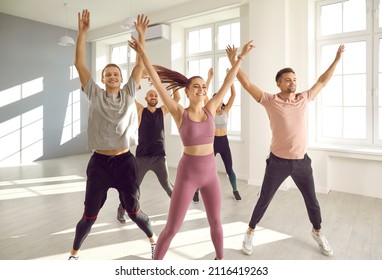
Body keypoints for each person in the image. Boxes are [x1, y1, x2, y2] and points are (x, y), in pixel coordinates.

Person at [128, 35, 254, 260]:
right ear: (187, 91)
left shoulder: (211, 108)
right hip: (188, 174)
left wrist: (241, 57)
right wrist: (142, 53)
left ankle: (220, 260)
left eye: (204, 86)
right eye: (196, 86)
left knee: (216, 222)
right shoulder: (179, 112)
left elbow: (228, 82)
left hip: (210, 174)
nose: (202, 89)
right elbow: (157, 81)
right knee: (172, 227)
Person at [226, 43, 345, 257]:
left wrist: (336, 60)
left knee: (312, 201)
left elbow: (322, 81)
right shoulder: (270, 100)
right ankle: (250, 232)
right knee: (264, 199)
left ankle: (317, 232)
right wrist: (235, 60)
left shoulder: (304, 98)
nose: (293, 82)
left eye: (295, 79)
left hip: (302, 162)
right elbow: (247, 83)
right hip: (278, 162)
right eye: (288, 79)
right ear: (279, 83)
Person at [68, 10, 156, 260]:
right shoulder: (94, 93)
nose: (113, 77)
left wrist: (142, 36)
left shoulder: (129, 92)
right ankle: (73, 255)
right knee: (89, 216)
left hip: (125, 162)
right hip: (99, 164)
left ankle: (152, 240)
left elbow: (140, 65)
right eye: (109, 75)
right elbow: (79, 64)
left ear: (121, 77)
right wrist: (83, 32)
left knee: (134, 212)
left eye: (116, 73)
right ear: (103, 79)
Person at [116, 87, 180, 223]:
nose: (153, 97)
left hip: (159, 158)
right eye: (150, 95)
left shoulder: (162, 111)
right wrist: (137, 84)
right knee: (133, 186)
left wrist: (174, 86)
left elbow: (177, 99)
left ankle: (180, 210)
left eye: (156, 95)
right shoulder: (141, 110)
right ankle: (121, 209)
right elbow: (130, 97)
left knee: (168, 186)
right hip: (142, 158)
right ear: (146, 98)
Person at [193, 68, 242, 203]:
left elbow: (233, 95)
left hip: (224, 142)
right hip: (212, 142)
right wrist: (208, 78)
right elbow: (204, 95)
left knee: (229, 168)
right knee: (204, 168)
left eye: (220, 100)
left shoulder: (226, 109)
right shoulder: (211, 110)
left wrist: (230, 80)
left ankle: (235, 190)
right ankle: (196, 191)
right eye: (216, 99)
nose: (218, 102)